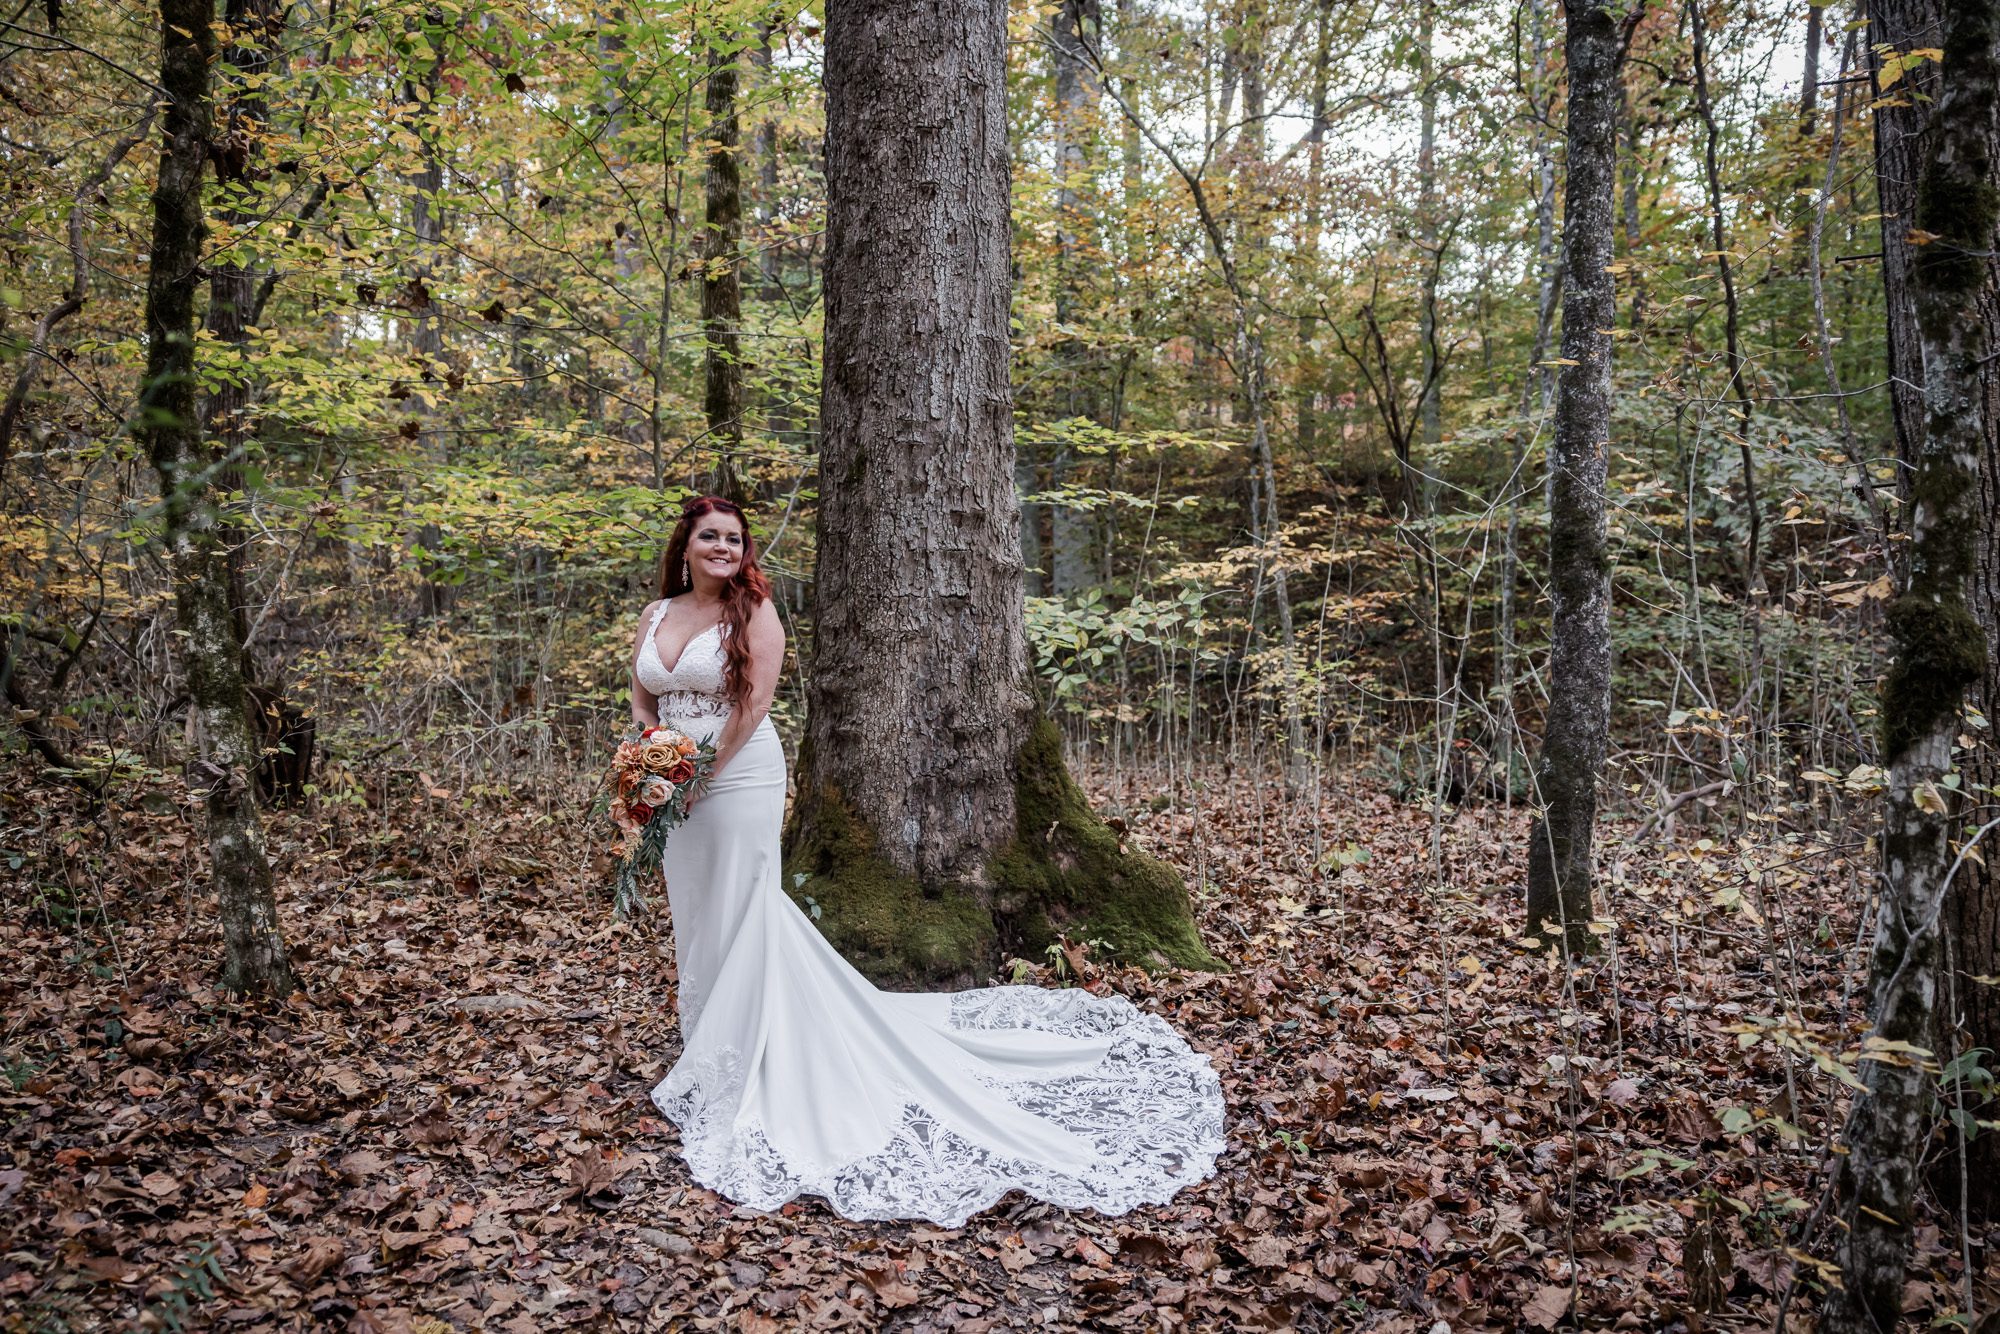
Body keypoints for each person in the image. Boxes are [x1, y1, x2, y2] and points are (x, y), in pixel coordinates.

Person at [633, 495, 1225, 1227]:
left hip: (737, 776)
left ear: (743, 551)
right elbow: (642, 700)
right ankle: (706, 1043)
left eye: (734, 538)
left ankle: (749, 1050)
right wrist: (651, 764)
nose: (723, 547)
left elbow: (754, 705)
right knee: (694, 908)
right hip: (672, 787)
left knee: (744, 904)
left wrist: (703, 774)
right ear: (686, 545)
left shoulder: (752, 612)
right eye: (709, 537)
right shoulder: (657, 615)